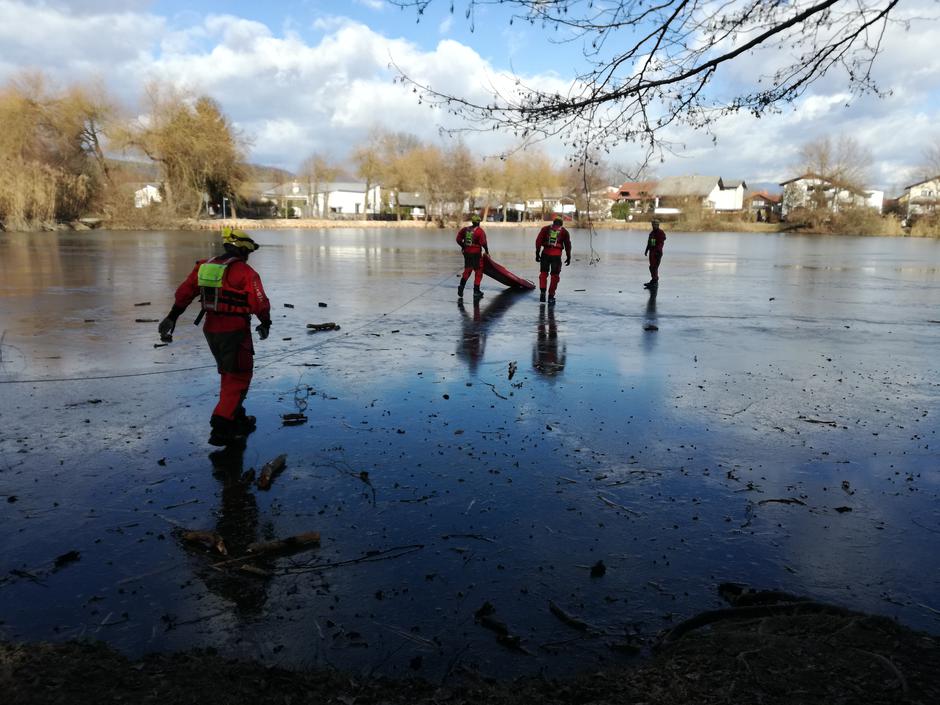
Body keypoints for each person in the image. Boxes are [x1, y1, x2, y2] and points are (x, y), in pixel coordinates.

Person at [158, 227, 272, 446]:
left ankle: (236, 416)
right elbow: (260, 303)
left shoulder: (204, 267)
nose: (248, 258)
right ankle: (222, 425)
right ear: (242, 251)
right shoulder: (246, 273)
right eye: (248, 253)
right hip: (235, 330)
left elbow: (184, 293)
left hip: (211, 329)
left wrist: (172, 317)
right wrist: (265, 323)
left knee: (228, 372)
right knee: (239, 375)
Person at [535, 216, 571, 305]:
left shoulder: (545, 229)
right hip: (556, 256)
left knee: (543, 273)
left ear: (553, 223)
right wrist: (568, 256)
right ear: (561, 225)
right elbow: (568, 245)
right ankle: (551, 297)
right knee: (555, 276)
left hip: (545, 254)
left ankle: (543, 292)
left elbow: (538, 241)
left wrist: (537, 252)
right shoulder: (564, 232)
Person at [456, 213, 489, 300]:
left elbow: (458, 239)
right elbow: (484, 243)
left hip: (467, 253)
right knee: (478, 271)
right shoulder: (480, 231)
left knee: (467, 270)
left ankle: (461, 287)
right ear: (478, 222)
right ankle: (476, 291)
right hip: (476, 254)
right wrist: (487, 251)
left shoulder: (465, 230)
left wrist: (463, 246)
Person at [644, 219, 666, 288]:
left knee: (654, 267)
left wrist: (658, 252)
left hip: (657, 253)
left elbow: (660, 243)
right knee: (651, 267)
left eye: (655, 224)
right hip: (652, 252)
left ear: (658, 225)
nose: (654, 225)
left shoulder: (661, 232)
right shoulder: (652, 233)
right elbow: (649, 242)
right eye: (653, 224)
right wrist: (646, 250)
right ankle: (653, 280)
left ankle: (655, 281)